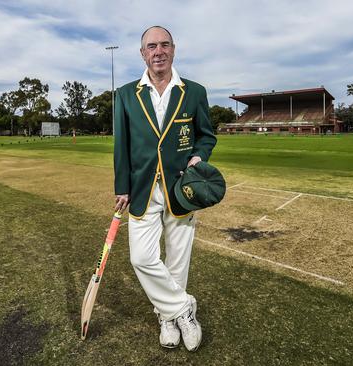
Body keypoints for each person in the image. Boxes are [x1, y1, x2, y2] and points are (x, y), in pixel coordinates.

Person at [113, 25, 217, 351]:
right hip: (143, 189)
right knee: (142, 258)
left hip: (181, 189)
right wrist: (122, 186)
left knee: (178, 260)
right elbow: (122, 145)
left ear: (174, 49)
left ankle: (168, 318)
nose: (158, 51)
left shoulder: (195, 91)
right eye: (151, 46)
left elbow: (206, 135)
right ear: (142, 53)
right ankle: (183, 307)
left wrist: (198, 157)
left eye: (164, 45)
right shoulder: (126, 94)